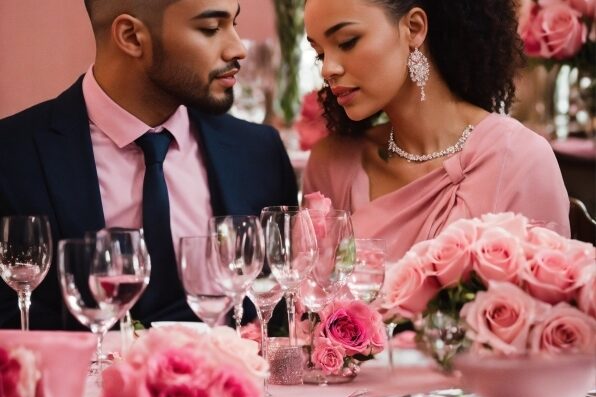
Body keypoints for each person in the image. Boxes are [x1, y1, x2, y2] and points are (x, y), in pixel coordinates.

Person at [0, 0, 297, 329]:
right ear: (131, 37)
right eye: (211, 29)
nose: (237, 48)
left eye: (234, 24)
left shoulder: (259, 151)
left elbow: (283, 310)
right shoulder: (12, 154)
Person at [302, 0, 570, 263]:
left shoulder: (518, 160)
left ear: (414, 28)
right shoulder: (332, 165)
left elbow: (543, 301)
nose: (328, 69)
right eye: (320, 54)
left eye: (347, 42)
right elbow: (308, 298)